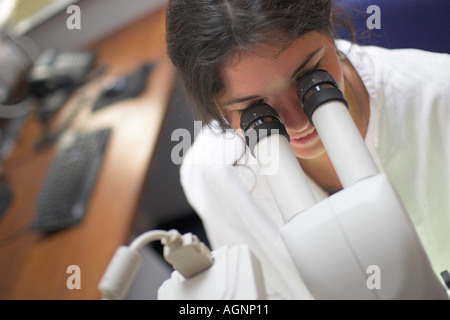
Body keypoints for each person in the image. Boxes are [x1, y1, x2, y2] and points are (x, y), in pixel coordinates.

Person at [166, 0, 450, 299]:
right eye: (254, 109)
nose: (299, 122)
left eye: (309, 76)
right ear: (215, 106)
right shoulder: (213, 174)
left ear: (327, 19)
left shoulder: (439, 99)